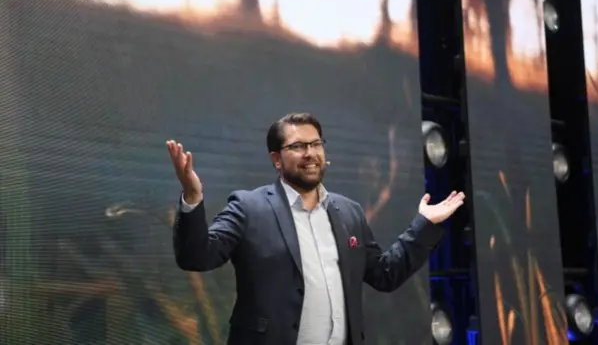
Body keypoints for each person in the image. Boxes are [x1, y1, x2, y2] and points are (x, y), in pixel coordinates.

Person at [168, 113, 465, 345]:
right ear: (276, 159)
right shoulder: (249, 207)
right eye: (297, 146)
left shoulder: (349, 211)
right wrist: (193, 198)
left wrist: (425, 224)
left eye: (316, 144)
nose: (310, 153)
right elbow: (197, 256)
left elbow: (385, 274)